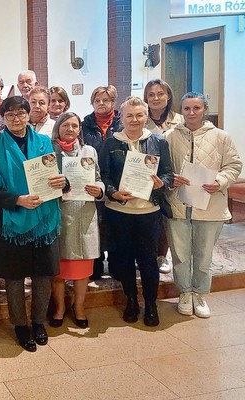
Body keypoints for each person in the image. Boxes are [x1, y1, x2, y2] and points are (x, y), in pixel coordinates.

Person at [0, 96, 66, 352]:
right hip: (11, 220)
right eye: (10, 115)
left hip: (45, 219)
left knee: (43, 275)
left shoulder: (44, 142)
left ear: (29, 115)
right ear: (3, 118)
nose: (16, 119)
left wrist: (64, 183)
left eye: (21, 113)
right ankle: (20, 325)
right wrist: (18, 200)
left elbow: (58, 178)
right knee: (15, 277)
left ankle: (38, 322)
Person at [98, 96, 173, 327]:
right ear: (121, 117)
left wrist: (162, 182)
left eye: (139, 115)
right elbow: (104, 175)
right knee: (124, 259)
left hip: (148, 210)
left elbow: (168, 173)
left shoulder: (158, 142)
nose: (134, 119)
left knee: (149, 260)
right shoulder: (111, 143)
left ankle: (150, 304)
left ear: (146, 116)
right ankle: (131, 300)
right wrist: (112, 192)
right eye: (129, 115)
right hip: (119, 210)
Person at [166, 92, 242, 318]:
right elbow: (162, 166)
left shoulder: (221, 137)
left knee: (203, 254)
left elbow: (233, 165)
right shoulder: (170, 135)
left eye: (196, 108)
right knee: (180, 253)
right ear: (181, 110)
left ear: (204, 110)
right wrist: (171, 177)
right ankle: (184, 293)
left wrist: (219, 181)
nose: (191, 113)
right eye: (187, 108)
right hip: (178, 203)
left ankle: (199, 293)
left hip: (210, 205)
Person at [50, 112, 104, 328]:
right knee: (58, 270)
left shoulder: (89, 151)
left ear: (80, 129)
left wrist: (98, 190)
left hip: (84, 214)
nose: (70, 129)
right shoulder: (49, 151)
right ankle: (60, 308)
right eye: (66, 125)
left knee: (82, 269)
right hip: (59, 213)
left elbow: (98, 178)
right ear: (58, 127)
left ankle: (79, 307)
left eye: (75, 125)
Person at [143, 79, 185, 274]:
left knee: (171, 218)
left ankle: (163, 256)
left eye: (160, 94)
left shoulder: (180, 120)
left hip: (175, 177)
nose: (156, 98)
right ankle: (148, 255)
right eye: (151, 94)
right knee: (151, 219)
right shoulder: (141, 118)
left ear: (168, 96)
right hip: (147, 179)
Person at [82, 85, 123, 281]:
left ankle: (116, 264)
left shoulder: (122, 123)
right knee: (96, 225)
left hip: (117, 181)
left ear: (114, 103)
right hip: (93, 182)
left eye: (106, 100)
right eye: (97, 100)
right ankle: (95, 265)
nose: (101, 103)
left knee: (115, 225)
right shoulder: (85, 124)